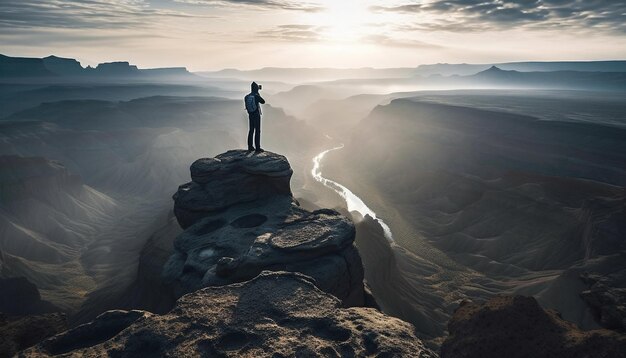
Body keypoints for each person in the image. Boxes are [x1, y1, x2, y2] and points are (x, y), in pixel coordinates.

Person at [244, 82, 266, 152]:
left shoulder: (247, 96)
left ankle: (250, 147)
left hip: (250, 115)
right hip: (256, 114)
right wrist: (258, 94)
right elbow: (263, 101)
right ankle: (257, 148)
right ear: (256, 88)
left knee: (251, 130)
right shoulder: (256, 96)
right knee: (257, 131)